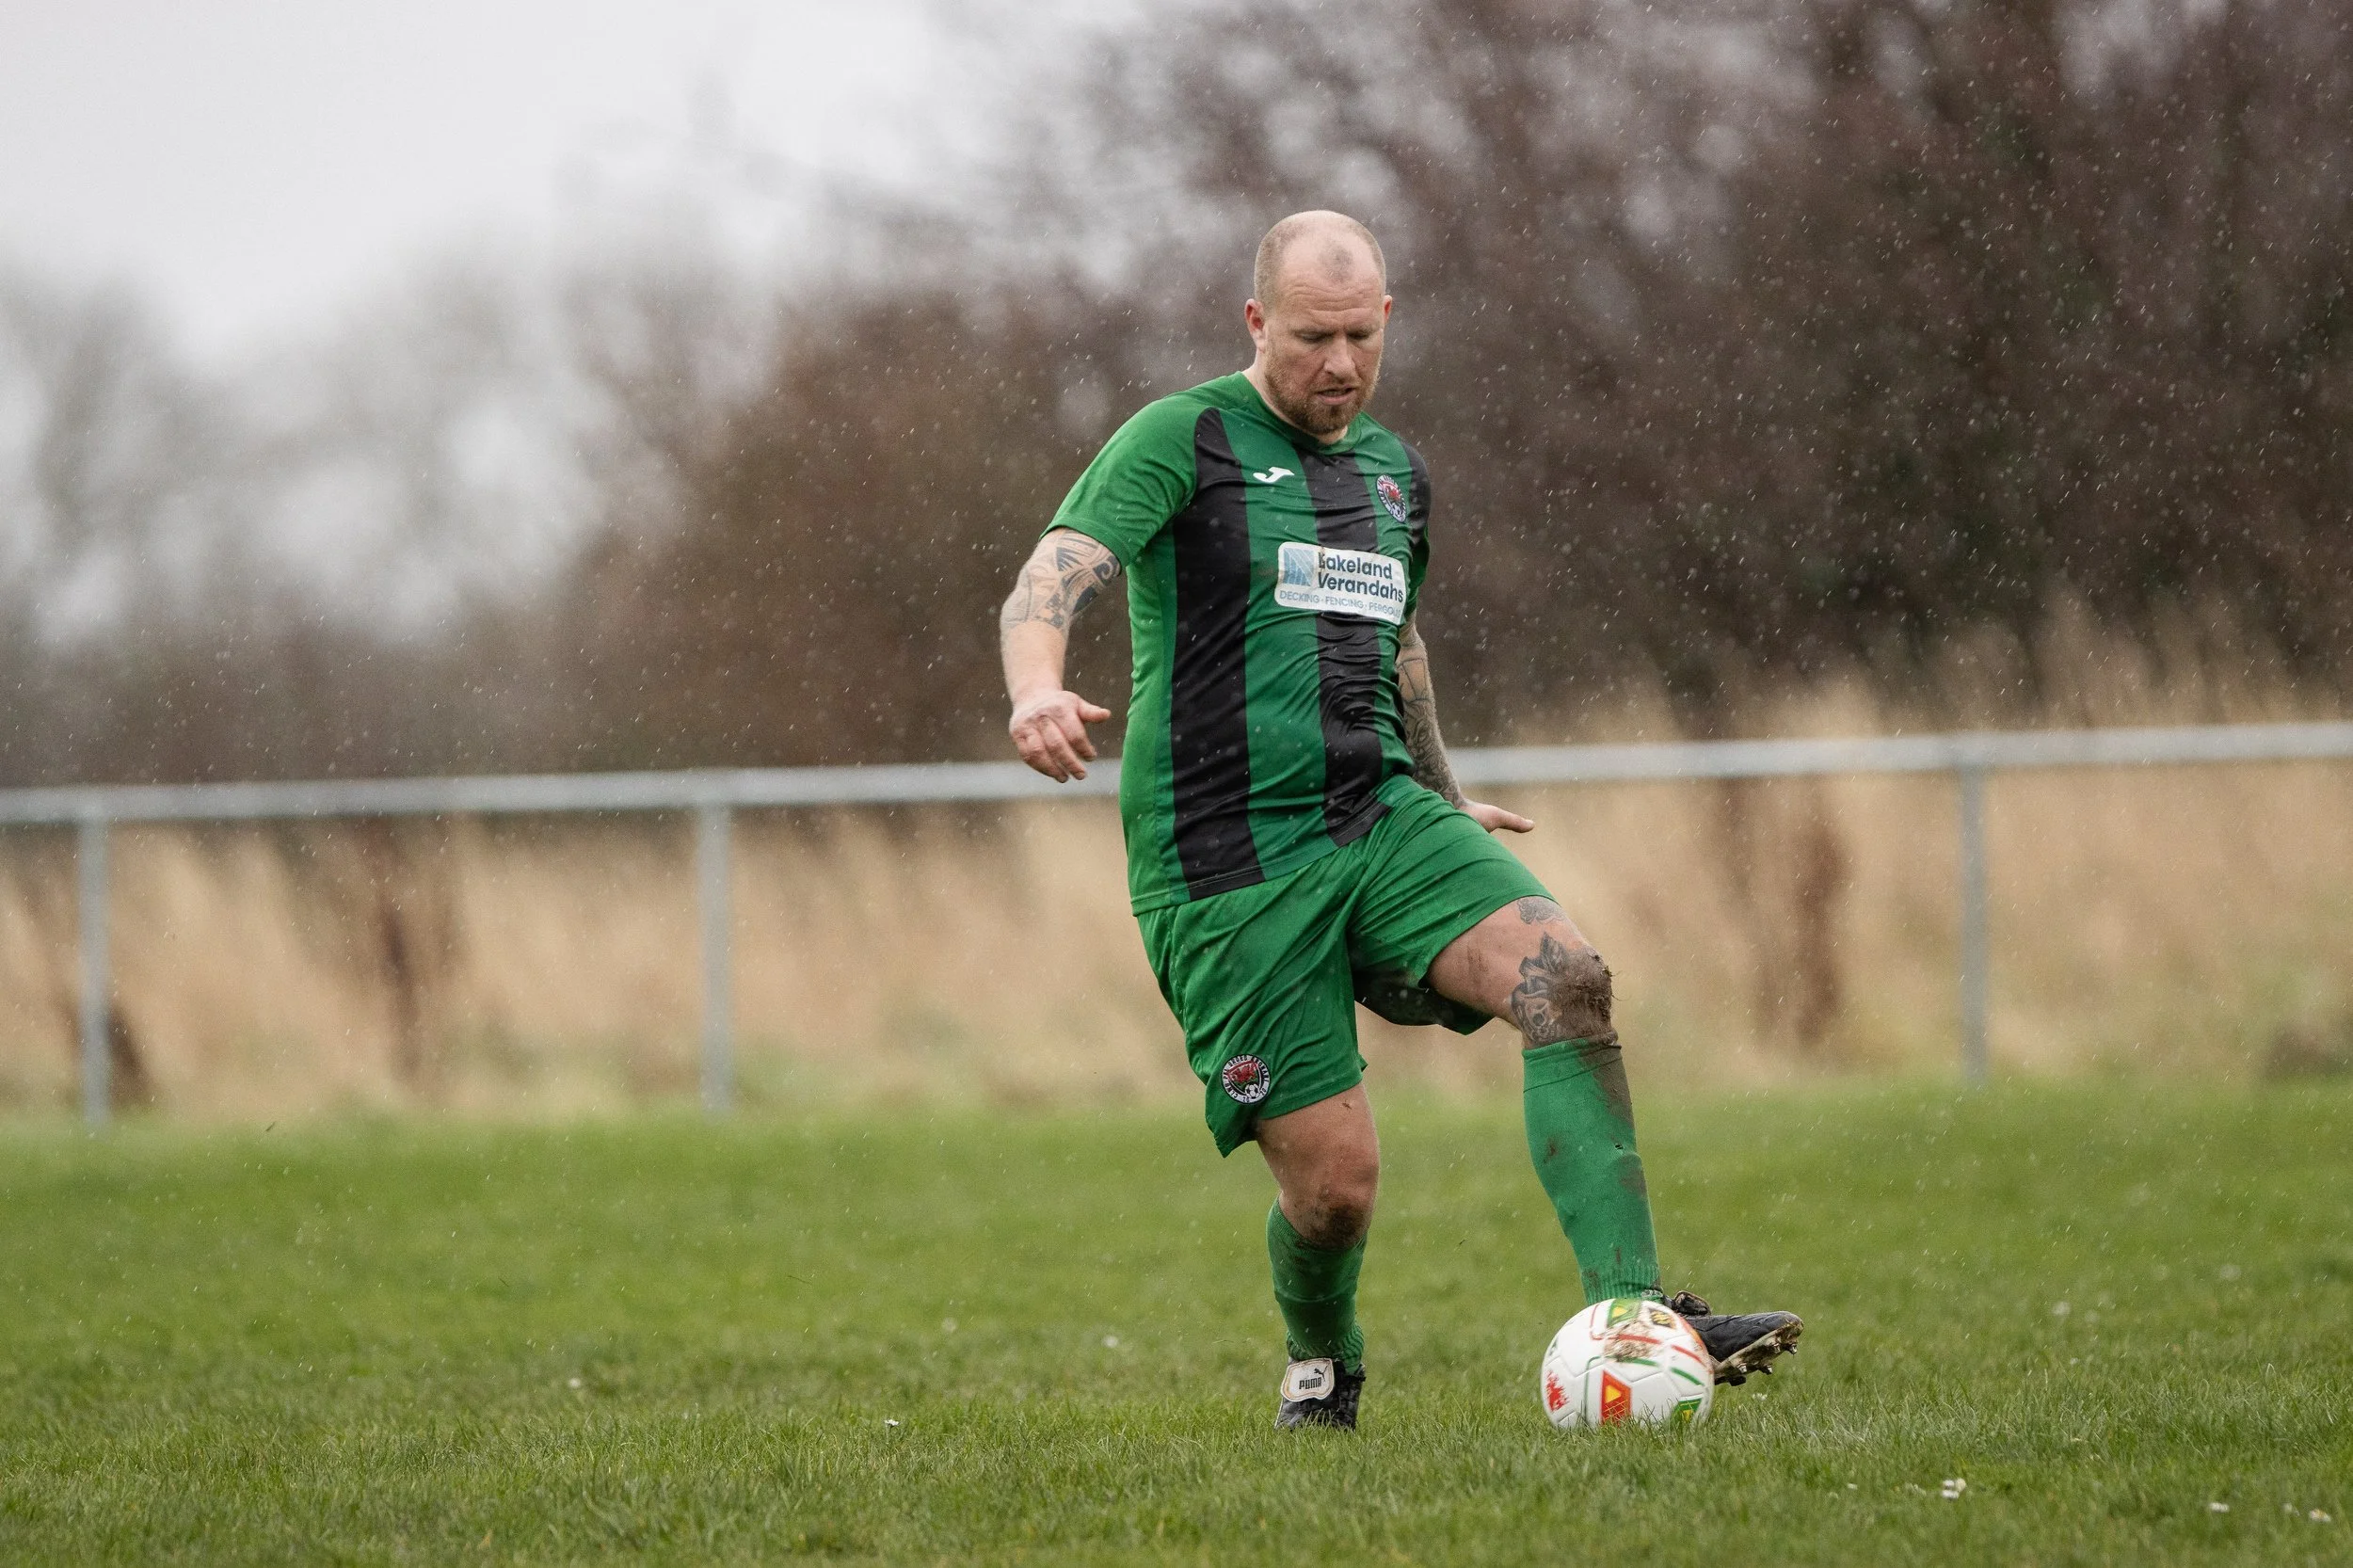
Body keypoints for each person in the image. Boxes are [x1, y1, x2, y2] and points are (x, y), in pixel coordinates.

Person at [998, 210, 1800, 1429]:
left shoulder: (1394, 474)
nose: (1338, 363)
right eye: (1312, 335)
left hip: (1381, 813)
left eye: (1360, 336)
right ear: (1258, 322)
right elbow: (1056, 567)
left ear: (1388, 322)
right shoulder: (1187, 437)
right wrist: (1036, 687)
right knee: (1336, 1191)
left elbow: (1397, 641)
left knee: (1565, 978)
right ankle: (1322, 1366)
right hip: (1226, 861)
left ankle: (1638, 1311)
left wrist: (1436, 784)